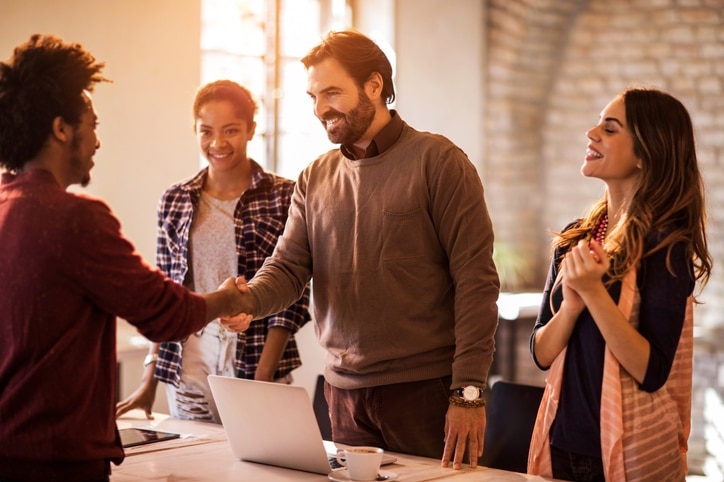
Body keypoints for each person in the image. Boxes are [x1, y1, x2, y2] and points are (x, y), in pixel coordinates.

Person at [221, 29, 500, 469]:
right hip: (343, 394)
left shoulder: (439, 162)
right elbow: (290, 267)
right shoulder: (314, 177)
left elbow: (476, 283)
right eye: (313, 96)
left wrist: (468, 393)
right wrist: (249, 301)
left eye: (332, 93)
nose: (319, 109)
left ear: (374, 86)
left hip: (424, 391)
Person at [0, 34, 252, 481]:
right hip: (57, 462)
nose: (97, 140)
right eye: (91, 123)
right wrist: (228, 299)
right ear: (62, 128)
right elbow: (165, 313)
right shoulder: (76, 218)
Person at [527, 88, 712, 481]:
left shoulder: (665, 249)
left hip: (626, 450)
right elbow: (541, 353)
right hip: (561, 443)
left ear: (646, 154)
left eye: (610, 129)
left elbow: (651, 371)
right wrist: (573, 306)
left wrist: (594, 294)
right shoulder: (575, 239)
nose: (591, 133)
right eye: (598, 123)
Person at [115, 80, 311, 423]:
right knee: (196, 465)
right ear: (195, 130)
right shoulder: (175, 199)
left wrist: (262, 381)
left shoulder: (285, 195)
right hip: (190, 354)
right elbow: (166, 293)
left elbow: (292, 295)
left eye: (231, 130)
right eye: (206, 131)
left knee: (257, 472)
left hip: (258, 351)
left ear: (251, 129)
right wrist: (149, 380)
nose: (217, 143)